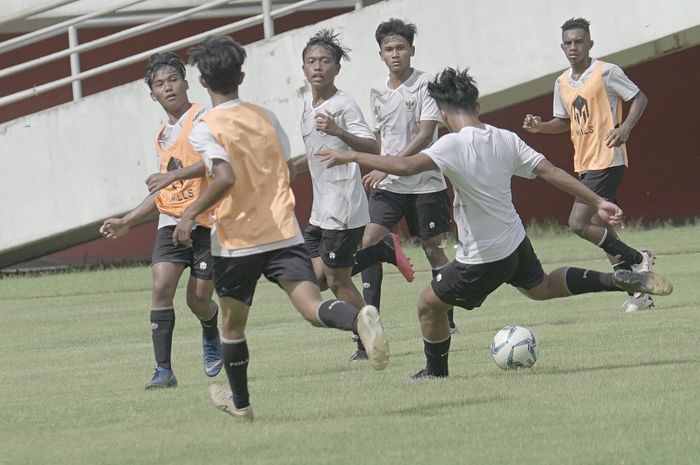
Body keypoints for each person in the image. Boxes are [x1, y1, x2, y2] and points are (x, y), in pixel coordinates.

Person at [317, 67, 673, 379]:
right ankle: (618, 278)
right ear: (477, 105)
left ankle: (435, 372)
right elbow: (551, 172)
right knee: (542, 287)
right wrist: (598, 200)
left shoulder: (453, 144)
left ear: (442, 114)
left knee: (428, 303)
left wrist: (351, 154)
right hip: (515, 241)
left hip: (482, 257)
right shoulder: (507, 138)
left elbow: (407, 167)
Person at [173, 35, 389, 423]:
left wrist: (190, 214)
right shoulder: (265, 115)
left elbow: (223, 176)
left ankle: (242, 405)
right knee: (311, 306)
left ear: (203, 83)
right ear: (241, 74)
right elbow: (287, 170)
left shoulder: (205, 125)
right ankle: (357, 319)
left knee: (232, 324)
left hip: (237, 240)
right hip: (283, 230)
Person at [99, 52, 223, 389]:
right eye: (159, 84)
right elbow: (167, 189)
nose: (167, 87)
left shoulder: (205, 117)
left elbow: (218, 164)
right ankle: (164, 371)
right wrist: (128, 220)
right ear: (152, 94)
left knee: (197, 300)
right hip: (172, 220)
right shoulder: (162, 136)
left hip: (209, 220)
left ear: (186, 82)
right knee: (161, 286)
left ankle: (211, 330)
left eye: (172, 79)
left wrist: (175, 177)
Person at [295, 29, 414, 363]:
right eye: (311, 61)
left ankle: (367, 340)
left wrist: (339, 131)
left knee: (336, 280)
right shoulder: (307, 103)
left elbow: (373, 146)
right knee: (310, 281)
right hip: (321, 210)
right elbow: (316, 150)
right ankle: (378, 250)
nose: (317, 67)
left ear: (337, 68)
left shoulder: (343, 106)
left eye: (325, 61)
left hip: (343, 208)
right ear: (303, 68)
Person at [522, 17, 653, 313]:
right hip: (584, 162)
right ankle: (639, 291)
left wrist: (626, 128)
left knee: (578, 223)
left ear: (589, 44)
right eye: (568, 43)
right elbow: (564, 122)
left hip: (608, 158)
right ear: (562, 46)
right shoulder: (562, 82)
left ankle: (636, 258)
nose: (573, 47)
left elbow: (639, 97)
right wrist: (540, 127)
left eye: (578, 41)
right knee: (599, 225)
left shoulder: (606, 72)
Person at [361, 18, 457, 333]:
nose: (395, 53)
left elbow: (425, 134)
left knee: (432, 248)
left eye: (401, 47)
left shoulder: (426, 84)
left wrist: (385, 164)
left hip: (425, 184)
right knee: (367, 242)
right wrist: (380, 163)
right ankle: (370, 326)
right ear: (380, 54)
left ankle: (448, 319)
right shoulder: (375, 90)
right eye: (389, 49)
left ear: (412, 50)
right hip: (390, 185)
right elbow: (381, 137)